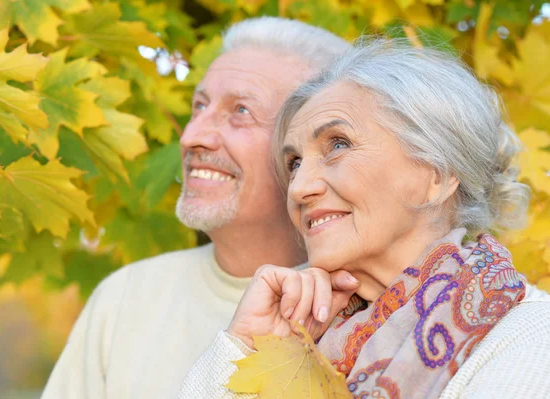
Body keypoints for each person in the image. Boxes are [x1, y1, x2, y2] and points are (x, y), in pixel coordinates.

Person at [179, 38, 550, 398]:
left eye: (338, 145)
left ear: (435, 175)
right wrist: (244, 347)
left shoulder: (530, 340)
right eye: (294, 164)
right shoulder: (301, 336)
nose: (298, 188)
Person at [40, 17, 351, 399]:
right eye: (198, 106)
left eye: (240, 111)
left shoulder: (371, 307)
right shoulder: (124, 298)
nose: (191, 137)